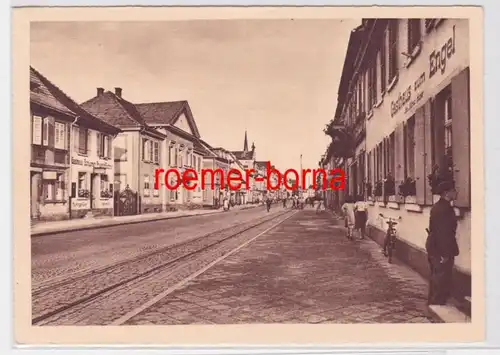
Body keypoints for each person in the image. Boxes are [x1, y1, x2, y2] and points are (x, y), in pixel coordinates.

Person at [425, 180, 459, 306]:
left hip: (435, 247)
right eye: (453, 190)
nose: (456, 192)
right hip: (440, 249)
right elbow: (443, 233)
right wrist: (444, 254)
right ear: (446, 193)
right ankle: (436, 308)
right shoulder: (444, 209)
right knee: (440, 280)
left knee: (437, 279)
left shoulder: (439, 207)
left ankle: (434, 305)